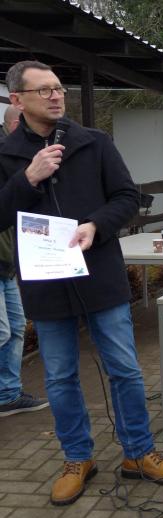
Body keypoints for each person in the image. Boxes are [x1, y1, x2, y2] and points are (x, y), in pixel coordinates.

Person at [0, 60, 163, 506]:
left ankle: (138, 452)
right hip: (46, 285)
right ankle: (77, 458)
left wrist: (95, 226)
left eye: (58, 88)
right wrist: (28, 178)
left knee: (124, 369)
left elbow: (127, 197)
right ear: (17, 99)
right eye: (43, 90)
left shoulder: (94, 142)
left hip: (99, 275)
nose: (55, 95)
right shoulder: (6, 156)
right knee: (61, 377)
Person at [0, 106, 49, 418]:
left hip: (7, 265)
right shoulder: (6, 158)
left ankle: (7, 395)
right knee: (2, 332)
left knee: (16, 328)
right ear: (17, 123)